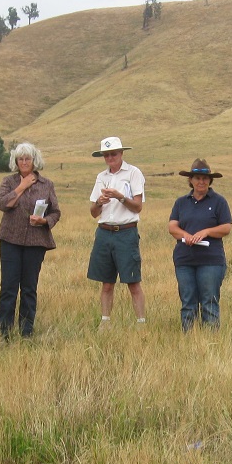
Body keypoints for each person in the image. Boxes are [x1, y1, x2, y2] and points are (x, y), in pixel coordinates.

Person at [0, 142, 61, 338]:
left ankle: (26, 331)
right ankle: (5, 332)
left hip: (35, 242)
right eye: (20, 159)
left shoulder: (46, 185)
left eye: (27, 158)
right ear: (15, 161)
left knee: (29, 288)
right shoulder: (8, 181)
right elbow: (2, 204)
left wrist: (44, 221)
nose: (24, 162)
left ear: (34, 161)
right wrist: (21, 187)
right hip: (10, 240)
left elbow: (55, 212)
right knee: (8, 287)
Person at [167, 158, 232, 331]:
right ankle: (189, 338)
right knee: (187, 302)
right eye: (197, 178)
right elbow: (172, 227)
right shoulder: (181, 202)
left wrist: (207, 232)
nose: (201, 181)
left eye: (204, 178)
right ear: (190, 180)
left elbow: (226, 227)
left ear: (210, 180)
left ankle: (210, 341)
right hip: (185, 260)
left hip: (211, 260)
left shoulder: (219, 201)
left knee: (209, 301)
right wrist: (185, 235)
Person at [87, 136, 146, 327]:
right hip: (104, 232)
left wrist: (120, 197)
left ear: (121, 154)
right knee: (106, 282)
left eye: (113, 154)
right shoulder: (101, 177)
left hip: (126, 232)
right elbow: (94, 212)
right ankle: (105, 322)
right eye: (107, 155)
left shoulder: (133, 173)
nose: (110, 158)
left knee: (133, 281)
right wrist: (99, 202)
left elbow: (137, 207)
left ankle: (140, 322)